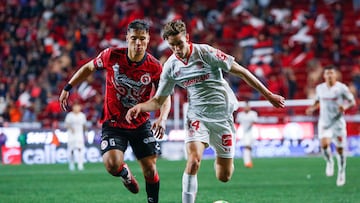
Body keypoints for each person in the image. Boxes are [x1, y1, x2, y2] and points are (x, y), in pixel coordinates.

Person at [125, 20, 285, 203]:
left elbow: (241, 71)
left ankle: (224, 160)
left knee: (224, 176)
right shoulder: (170, 66)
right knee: (193, 161)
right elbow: (158, 100)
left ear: (187, 37)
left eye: (179, 43)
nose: (176, 48)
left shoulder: (206, 52)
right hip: (196, 116)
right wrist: (140, 107)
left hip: (222, 116)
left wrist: (268, 95)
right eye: (172, 45)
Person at [59, 19, 171, 203]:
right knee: (112, 165)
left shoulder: (154, 66)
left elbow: (164, 96)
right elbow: (89, 67)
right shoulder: (112, 56)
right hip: (113, 123)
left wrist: (163, 118)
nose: (138, 43)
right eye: (134, 38)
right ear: (127, 38)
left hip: (140, 124)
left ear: (148, 39)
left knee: (150, 169)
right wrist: (68, 87)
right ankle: (125, 174)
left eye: (142, 39)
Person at [306, 65, 356, 187]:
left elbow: (352, 102)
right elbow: (318, 101)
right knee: (324, 145)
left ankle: (341, 172)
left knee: (339, 150)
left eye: (331, 73)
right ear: (324, 76)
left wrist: (344, 107)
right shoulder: (320, 88)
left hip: (337, 122)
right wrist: (312, 108)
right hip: (324, 121)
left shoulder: (341, 88)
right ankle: (329, 162)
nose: (329, 75)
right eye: (327, 73)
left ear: (335, 75)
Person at [64, 103, 87, 171]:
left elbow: (84, 125)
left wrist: (86, 133)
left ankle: (80, 164)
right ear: (73, 108)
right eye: (75, 107)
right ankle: (71, 164)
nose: (77, 108)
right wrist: (71, 128)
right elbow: (66, 124)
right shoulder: (69, 115)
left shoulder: (82, 115)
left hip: (79, 134)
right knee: (71, 150)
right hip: (71, 135)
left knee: (80, 149)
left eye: (78, 107)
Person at [235, 101, 258, 168]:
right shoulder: (240, 114)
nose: (246, 108)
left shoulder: (253, 114)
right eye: (245, 107)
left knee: (250, 147)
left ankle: (249, 161)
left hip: (252, 132)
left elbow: (254, 122)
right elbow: (238, 122)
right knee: (246, 147)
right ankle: (247, 162)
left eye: (247, 106)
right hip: (244, 132)